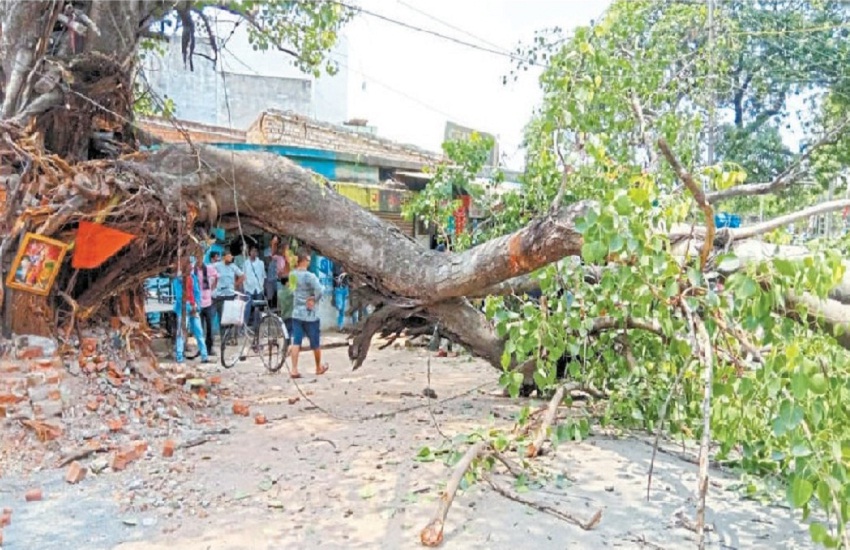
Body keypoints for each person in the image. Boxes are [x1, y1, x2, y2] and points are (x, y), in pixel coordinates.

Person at [288, 249, 329, 379]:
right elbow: (320, 290)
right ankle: (318, 367)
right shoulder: (310, 276)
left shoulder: (292, 275)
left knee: (296, 341)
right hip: (310, 314)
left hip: (296, 312)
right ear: (304, 260)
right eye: (309, 260)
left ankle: (294, 369)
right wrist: (313, 299)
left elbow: (292, 291)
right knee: (315, 343)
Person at [173, 256, 210, 364]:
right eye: (190, 264)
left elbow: (197, 293)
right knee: (181, 333)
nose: (191, 267)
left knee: (199, 332)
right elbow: (180, 295)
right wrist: (190, 306)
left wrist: (197, 306)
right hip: (183, 309)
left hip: (194, 308)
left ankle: (204, 356)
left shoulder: (193, 278)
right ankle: (179, 357)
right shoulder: (178, 280)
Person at [212, 250, 244, 330]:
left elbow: (242, 276)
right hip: (220, 295)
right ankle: (223, 339)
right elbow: (208, 271)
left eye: (231, 256)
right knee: (222, 317)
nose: (230, 258)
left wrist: (235, 284)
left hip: (230, 294)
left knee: (230, 317)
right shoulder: (217, 265)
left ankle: (229, 338)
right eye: (228, 256)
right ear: (223, 257)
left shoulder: (233, 266)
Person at [195, 251, 219, 355]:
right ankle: (202, 349)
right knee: (199, 328)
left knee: (210, 327)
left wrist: (213, 286)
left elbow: (216, 276)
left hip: (208, 301)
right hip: (197, 302)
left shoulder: (208, 268)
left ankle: (209, 348)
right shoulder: (193, 269)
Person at [243, 245, 266, 328]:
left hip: (258, 288)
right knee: (247, 308)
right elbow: (243, 276)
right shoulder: (246, 263)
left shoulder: (261, 263)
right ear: (249, 252)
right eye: (252, 251)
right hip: (249, 289)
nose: (254, 253)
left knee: (258, 309)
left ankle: (257, 327)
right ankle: (244, 326)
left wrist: (262, 285)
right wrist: (245, 287)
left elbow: (263, 275)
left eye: (256, 251)